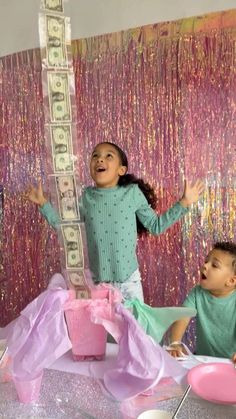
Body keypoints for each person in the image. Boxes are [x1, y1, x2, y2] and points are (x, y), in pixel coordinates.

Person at [25, 141, 204, 301]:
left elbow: (156, 226)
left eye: (108, 156)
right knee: (104, 337)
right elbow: (67, 230)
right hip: (99, 285)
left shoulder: (132, 193)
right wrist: (43, 204)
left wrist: (184, 203)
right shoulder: (87, 197)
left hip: (129, 283)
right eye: (95, 156)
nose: (100, 159)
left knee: (135, 334)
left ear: (121, 169)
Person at [167, 241, 236, 363]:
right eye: (206, 261)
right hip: (203, 360)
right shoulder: (197, 293)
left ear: (231, 281)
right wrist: (175, 342)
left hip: (231, 363)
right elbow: (182, 317)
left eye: (214, 265)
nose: (205, 266)